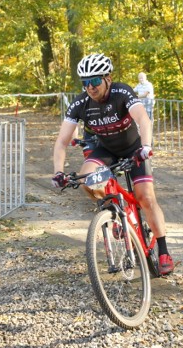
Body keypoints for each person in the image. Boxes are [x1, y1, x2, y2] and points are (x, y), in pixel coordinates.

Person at [52, 53, 175, 275]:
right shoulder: (81, 103)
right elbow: (61, 142)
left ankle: (164, 250)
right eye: (86, 83)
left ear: (108, 78)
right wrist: (58, 173)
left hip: (132, 147)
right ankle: (117, 211)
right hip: (106, 150)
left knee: (145, 197)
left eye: (95, 81)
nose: (90, 87)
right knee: (86, 181)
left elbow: (143, 119)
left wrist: (145, 147)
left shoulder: (121, 92)